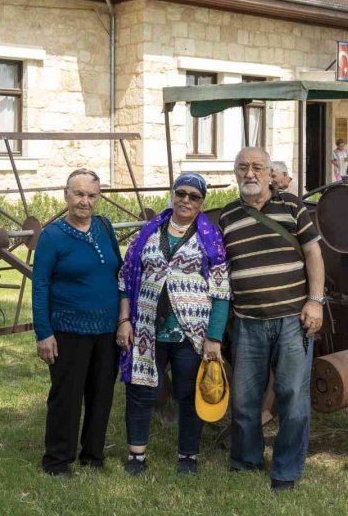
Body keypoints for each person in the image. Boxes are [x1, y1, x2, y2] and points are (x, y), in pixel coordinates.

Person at [219, 147, 325, 492]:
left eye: (257, 167)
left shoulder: (292, 206)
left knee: (293, 396)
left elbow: (313, 253)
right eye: (243, 168)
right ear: (236, 173)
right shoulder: (227, 217)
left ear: (269, 173)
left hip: (293, 320)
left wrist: (315, 301)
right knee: (245, 399)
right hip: (248, 321)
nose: (250, 174)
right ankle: (246, 461)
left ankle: (286, 470)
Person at [116, 172, 231, 475]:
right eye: (181, 193)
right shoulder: (149, 233)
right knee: (140, 390)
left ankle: (187, 456)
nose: (186, 200)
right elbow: (126, 280)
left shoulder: (209, 237)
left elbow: (221, 291)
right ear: (173, 194)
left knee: (187, 394)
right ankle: (136, 455)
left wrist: (214, 336)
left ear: (201, 202)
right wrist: (124, 319)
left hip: (190, 334)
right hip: (145, 330)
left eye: (194, 196)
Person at [32, 168, 122, 477]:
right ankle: (57, 460)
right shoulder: (53, 235)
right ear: (66, 194)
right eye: (79, 194)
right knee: (66, 396)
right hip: (68, 330)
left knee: (101, 394)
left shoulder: (105, 227)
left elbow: (119, 274)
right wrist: (44, 333)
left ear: (99, 198)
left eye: (92, 195)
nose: (85, 201)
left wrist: (124, 320)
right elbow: (40, 285)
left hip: (108, 330)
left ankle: (93, 456)